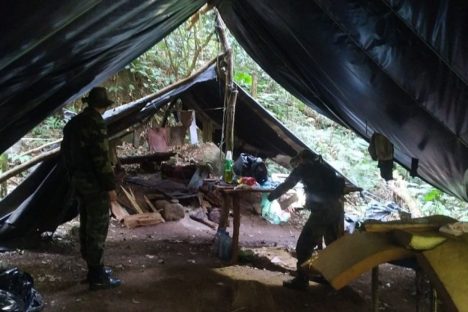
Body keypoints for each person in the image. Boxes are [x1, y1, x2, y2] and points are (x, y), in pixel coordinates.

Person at [61, 87, 121, 291]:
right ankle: (97, 275)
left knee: (86, 220)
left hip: (78, 181)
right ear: (103, 105)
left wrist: (73, 177)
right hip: (94, 184)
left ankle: (93, 269)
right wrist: (110, 187)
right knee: (97, 225)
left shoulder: (73, 123)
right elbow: (101, 160)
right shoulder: (96, 124)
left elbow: (65, 153)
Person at [267, 149, 345, 290]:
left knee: (303, 246)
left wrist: (271, 196)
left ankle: (302, 280)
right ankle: (332, 278)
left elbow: (287, 184)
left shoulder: (303, 168)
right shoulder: (324, 166)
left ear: (302, 159)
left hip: (323, 211)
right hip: (337, 208)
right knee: (333, 245)